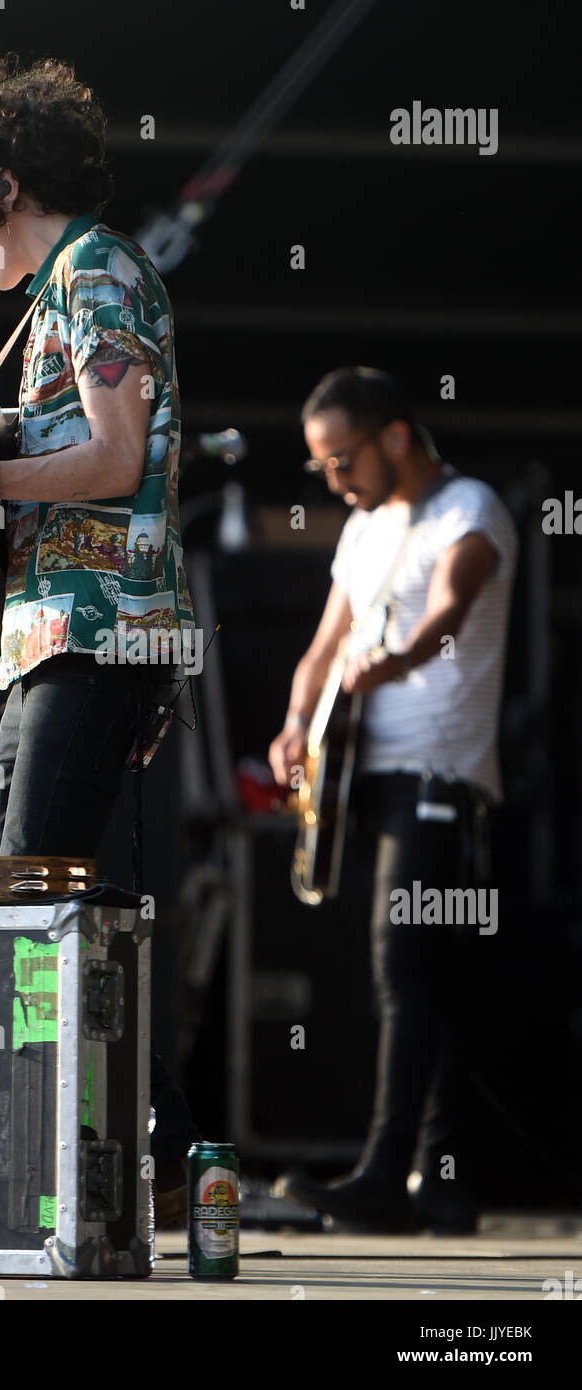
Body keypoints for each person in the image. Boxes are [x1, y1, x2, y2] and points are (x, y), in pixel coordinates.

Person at [0, 50, 200, 1223]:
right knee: (23, 902)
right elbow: (49, 450)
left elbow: (116, 458)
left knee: (32, 904)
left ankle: (115, 1158)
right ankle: (148, 1150)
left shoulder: (99, 275)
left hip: (106, 630)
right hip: (54, 632)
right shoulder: (57, 293)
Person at [268, 367, 517, 1233]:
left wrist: (397, 662)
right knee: (424, 980)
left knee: (404, 971)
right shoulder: (365, 530)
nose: (335, 480)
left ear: (397, 437)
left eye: (343, 459)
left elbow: (451, 607)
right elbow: (321, 647)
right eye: (322, 468)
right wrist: (298, 720)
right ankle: (442, 1186)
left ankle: (387, 1175)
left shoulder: (470, 509)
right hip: (367, 773)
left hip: (440, 775)